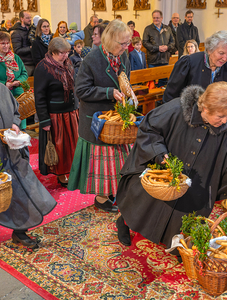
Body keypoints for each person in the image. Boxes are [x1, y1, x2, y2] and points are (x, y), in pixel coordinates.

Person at [116, 82, 227, 247]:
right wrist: (158, 153)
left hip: (196, 181)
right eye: (220, 116)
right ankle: (124, 222)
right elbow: (148, 128)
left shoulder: (223, 131)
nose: (225, 121)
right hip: (163, 172)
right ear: (205, 108)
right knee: (143, 204)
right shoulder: (174, 110)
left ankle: (178, 244)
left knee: (187, 212)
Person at [68, 20, 132, 213]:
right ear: (110, 40)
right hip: (97, 120)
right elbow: (81, 90)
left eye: (127, 43)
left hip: (115, 120)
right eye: (122, 44)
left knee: (117, 161)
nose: (125, 47)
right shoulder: (92, 59)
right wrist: (108, 93)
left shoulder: (123, 56)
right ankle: (101, 197)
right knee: (103, 163)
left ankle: (113, 192)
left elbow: (125, 79)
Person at [0, 83, 57, 249]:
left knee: (24, 190)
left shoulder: (2, 89)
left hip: (13, 152)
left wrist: (15, 125)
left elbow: (16, 111)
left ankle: (20, 231)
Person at [163, 30, 227, 136]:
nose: (224, 58)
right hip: (188, 123)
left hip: (217, 127)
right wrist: (170, 124)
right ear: (210, 50)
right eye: (221, 53)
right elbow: (170, 96)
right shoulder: (189, 63)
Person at [34, 37, 79, 187]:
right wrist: (44, 120)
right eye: (62, 53)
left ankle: (73, 171)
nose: (66, 56)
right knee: (60, 148)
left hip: (71, 112)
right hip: (55, 116)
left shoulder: (68, 63)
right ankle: (61, 174)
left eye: (67, 52)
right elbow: (39, 96)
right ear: (52, 52)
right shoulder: (43, 68)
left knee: (73, 145)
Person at [0, 31, 28, 131]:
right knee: (7, 128)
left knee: (20, 127)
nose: (6, 45)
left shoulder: (15, 58)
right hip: (3, 97)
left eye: (7, 43)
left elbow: (24, 73)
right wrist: (4, 84)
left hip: (18, 95)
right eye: (3, 43)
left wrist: (18, 81)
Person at [142, 10, 175, 87]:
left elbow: (172, 42)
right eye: (154, 18)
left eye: (157, 18)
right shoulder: (148, 29)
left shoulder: (167, 29)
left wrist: (167, 47)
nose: (155, 19)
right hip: (153, 60)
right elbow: (145, 42)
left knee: (163, 82)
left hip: (164, 59)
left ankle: (161, 98)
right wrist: (158, 48)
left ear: (161, 18)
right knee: (152, 83)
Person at [11, 10, 35, 76]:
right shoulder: (16, 33)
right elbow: (17, 50)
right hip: (25, 63)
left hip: (34, 61)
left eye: (30, 17)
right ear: (21, 18)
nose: (30, 19)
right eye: (27, 18)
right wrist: (31, 48)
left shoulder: (32, 30)